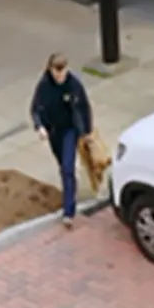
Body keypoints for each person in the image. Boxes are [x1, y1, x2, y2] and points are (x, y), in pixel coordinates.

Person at [30, 52, 94, 228]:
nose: (59, 76)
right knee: (63, 165)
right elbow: (35, 109)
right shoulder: (43, 86)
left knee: (67, 167)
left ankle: (69, 211)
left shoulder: (74, 85)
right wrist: (40, 126)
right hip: (53, 131)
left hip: (70, 130)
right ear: (50, 70)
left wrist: (87, 131)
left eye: (62, 71)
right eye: (56, 72)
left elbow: (84, 107)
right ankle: (70, 183)